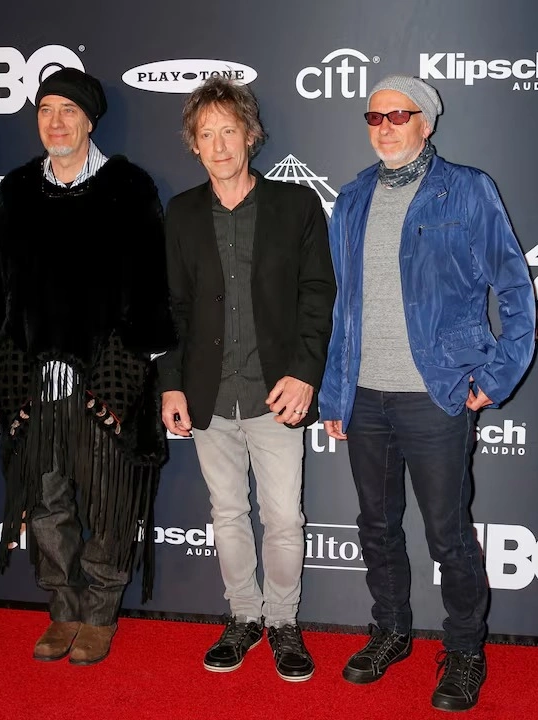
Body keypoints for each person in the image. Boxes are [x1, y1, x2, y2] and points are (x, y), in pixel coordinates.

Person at [319, 75, 536, 711]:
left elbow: (515, 289)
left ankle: (465, 650)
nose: (385, 127)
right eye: (374, 117)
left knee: (448, 533)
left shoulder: (467, 189)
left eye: (399, 115)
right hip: (365, 395)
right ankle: (390, 631)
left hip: (436, 394)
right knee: (377, 526)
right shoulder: (352, 197)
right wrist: (335, 393)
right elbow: (342, 306)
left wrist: (495, 375)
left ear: (427, 123)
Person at [0, 68, 175, 666]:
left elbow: (152, 285)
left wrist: (133, 363)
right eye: (46, 110)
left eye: (68, 110)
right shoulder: (17, 189)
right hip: (33, 382)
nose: (56, 121)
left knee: (110, 502)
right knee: (46, 504)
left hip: (104, 380)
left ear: (90, 120)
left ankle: (99, 614)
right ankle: (62, 607)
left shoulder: (128, 186)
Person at [159, 76, 336, 682]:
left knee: (284, 517)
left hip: (276, 395)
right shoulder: (182, 214)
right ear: (194, 144)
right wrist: (171, 383)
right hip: (208, 395)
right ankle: (243, 618)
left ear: (250, 135)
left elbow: (318, 296)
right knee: (228, 513)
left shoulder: (295, 206)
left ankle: (283, 622)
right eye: (206, 134)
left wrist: (305, 374)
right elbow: (172, 308)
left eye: (228, 131)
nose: (219, 145)